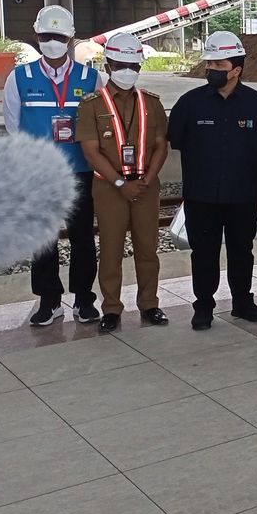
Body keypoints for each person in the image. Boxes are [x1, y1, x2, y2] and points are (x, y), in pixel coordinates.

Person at [168, 32, 257, 331]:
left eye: (219, 64)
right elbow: (175, 139)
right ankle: (203, 305)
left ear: (237, 69)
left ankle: (243, 302)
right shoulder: (189, 104)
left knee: (242, 250)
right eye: (210, 64)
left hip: (243, 195)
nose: (212, 70)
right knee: (203, 252)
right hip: (201, 195)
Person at [2, 5, 103, 326]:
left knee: (83, 237)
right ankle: (49, 300)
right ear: (36, 37)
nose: (52, 42)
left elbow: (100, 125)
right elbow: (13, 126)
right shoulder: (19, 78)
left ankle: (84, 299)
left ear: (71, 38)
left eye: (58, 36)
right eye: (46, 36)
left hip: (80, 172)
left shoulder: (92, 78)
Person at [76, 32, 169, 332]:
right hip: (109, 188)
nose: (128, 71)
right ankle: (112, 309)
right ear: (108, 66)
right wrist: (120, 184)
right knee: (112, 249)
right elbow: (91, 152)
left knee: (147, 249)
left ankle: (149, 304)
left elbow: (160, 146)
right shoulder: (91, 105)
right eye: (121, 65)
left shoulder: (151, 103)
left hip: (145, 185)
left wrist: (146, 181)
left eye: (134, 65)